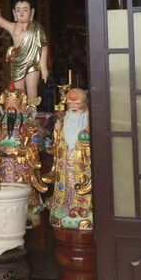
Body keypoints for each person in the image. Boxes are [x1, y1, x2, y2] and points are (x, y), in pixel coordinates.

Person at [0, 85, 47, 227]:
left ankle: (27, 214)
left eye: (15, 102)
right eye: (8, 102)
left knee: (23, 189)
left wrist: (29, 148)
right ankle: (3, 214)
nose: (11, 107)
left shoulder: (27, 123)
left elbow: (35, 141)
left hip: (21, 163)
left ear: (21, 105)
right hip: (2, 163)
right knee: (3, 189)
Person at [43, 87, 93, 230]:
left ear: (85, 104)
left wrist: (88, 144)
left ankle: (82, 209)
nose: (73, 107)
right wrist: (57, 131)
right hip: (64, 163)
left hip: (81, 164)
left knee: (81, 185)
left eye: (77, 103)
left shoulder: (89, 121)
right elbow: (57, 144)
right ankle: (63, 206)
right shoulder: (65, 119)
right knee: (63, 186)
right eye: (70, 103)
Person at [0, 0, 49, 101]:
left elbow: (43, 46)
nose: (21, 12)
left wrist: (43, 67)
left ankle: (32, 111)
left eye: (25, 10)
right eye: (18, 10)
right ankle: (20, 111)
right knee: (18, 91)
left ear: (32, 12)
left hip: (33, 62)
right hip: (17, 63)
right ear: (14, 13)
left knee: (32, 88)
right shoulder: (12, 27)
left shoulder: (37, 27)